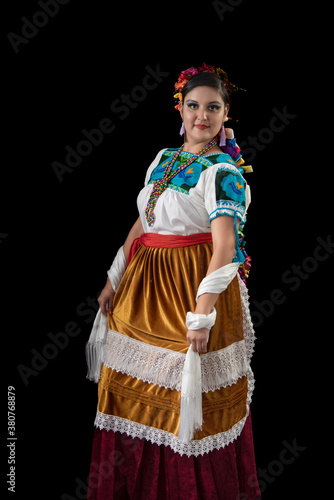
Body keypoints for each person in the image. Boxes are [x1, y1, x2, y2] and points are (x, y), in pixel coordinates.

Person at [86, 63, 261, 500]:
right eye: (194, 106)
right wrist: (115, 275)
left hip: (191, 289)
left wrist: (202, 316)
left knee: (185, 399)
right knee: (132, 392)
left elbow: (223, 249)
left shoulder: (224, 172)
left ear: (226, 114)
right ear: (180, 109)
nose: (202, 116)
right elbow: (144, 223)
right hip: (143, 288)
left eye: (213, 108)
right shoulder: (164, 158)